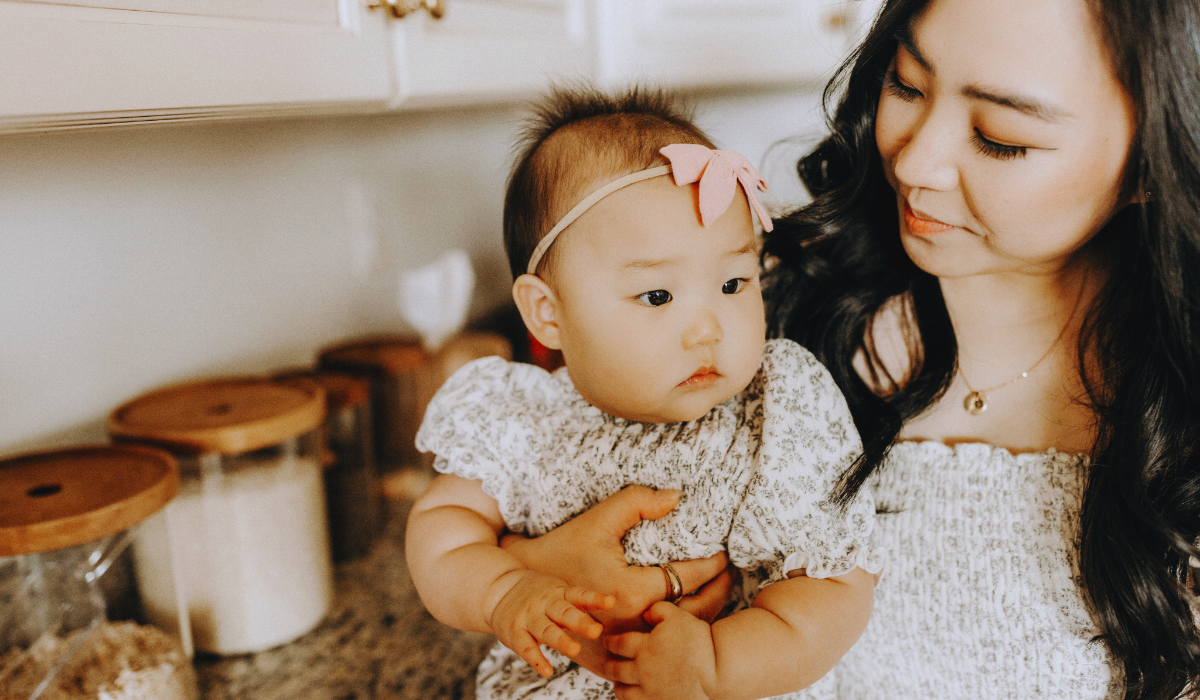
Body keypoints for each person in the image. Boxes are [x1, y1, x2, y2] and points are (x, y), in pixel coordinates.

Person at [495, 0, 1200, 698]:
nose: (916, 161)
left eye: (1001, 137)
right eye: (908, 85)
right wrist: (532, 567)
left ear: (1152, 161)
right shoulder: (761, 319)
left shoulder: (1180, 410)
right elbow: (534, 489)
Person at [405, 87, 884, 700]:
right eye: (657, 296)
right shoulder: (521, 418)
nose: (708, 327)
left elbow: (835, 589)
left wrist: (714, 665)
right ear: (548, 314)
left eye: (734, 282)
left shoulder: (778, 414)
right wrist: (501, 590)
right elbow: (442, 530)